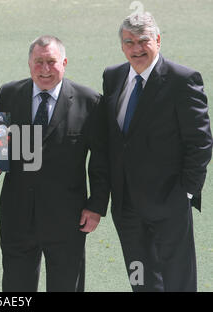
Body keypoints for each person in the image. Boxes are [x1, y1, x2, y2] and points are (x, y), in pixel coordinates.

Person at [0, 35, 109, 291]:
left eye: (51, 61)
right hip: (17, 215)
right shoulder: (9, 94)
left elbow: (101, 160)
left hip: (68, 218)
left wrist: (96, 206)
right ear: (29, 64)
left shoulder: (90, 101)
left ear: (64, 62)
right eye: (38, 62)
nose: (45, 69)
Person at [102, 12, 212, 291]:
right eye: (129, 42)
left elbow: (200, 141)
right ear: (122, 45)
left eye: (143, 41)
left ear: (158, 41)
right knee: (140, 278)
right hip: (127, 206)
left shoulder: (182, 80)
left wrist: (185, 192)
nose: (136, 48)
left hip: (169, 203)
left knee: (177, 280)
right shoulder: (113, 76)